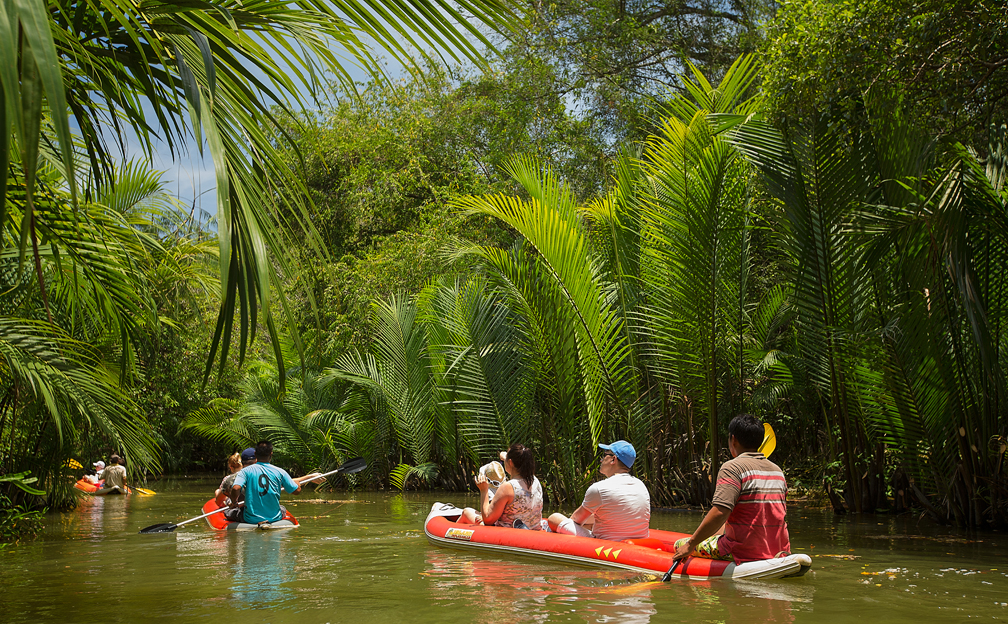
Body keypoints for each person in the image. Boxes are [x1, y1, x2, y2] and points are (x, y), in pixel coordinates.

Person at [672, 414, 790, 564]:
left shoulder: (732, 468)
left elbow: (720, 512)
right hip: (779, 551)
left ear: (733, 440)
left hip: (741, 551)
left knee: (679, 544)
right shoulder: (777, 471)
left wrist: (690, 545)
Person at [548, 440, 650, 541]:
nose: (601, 460)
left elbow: (575, 521)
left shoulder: (599, 488)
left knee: (554, 518)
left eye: (605, 455)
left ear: (613, 460)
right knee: (591, 521)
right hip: (638, 543)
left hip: (606, 546)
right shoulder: (641, 486)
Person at [228, 441, 321, 525]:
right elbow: (296, 491)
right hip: (274, 519)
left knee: (228, 512)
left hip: (250, 519)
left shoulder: (245, 471)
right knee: (282, 508)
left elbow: (236, 488)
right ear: (271, 454)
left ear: (255, 454)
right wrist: (298, 485)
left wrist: (234, 502)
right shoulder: (280, 472)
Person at [458, 443, 544, 530]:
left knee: (466, 512)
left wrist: (484, 490)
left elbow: (488, 519)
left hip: (508, 533)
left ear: (510, 462)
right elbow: (520, 461)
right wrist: (505, 456)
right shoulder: (534, 480)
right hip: (533, 529)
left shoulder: (507, 487)